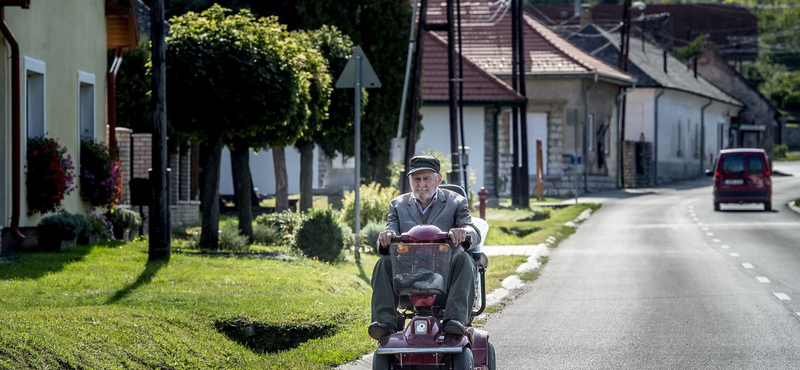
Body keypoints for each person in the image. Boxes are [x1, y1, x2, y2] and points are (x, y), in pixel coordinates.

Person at [368, 155, 481, 340]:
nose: (421, 184)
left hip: (445, 272)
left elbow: (472, 229)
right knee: (384, 263)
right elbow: (390, 229)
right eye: (416, 179)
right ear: (410, 180)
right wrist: (385, 237)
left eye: (427, 178)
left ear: (438, 179)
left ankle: (455, 319)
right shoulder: (397, 205)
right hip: (409, 273)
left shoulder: (456, 201)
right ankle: (384, 322)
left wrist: (463, 233)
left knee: (464, 259)